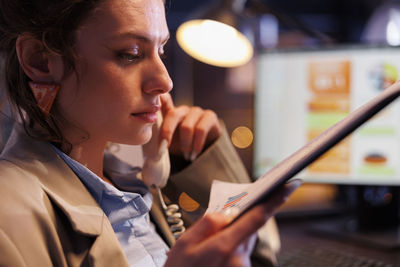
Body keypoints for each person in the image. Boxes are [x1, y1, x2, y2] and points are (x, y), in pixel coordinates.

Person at [0, 0, 301, 266]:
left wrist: (204, 162)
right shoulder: (8, 217)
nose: (165, 81)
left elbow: (263, 257)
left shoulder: (134, 183)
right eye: (130, 53)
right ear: (40, 60)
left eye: (161, 50)